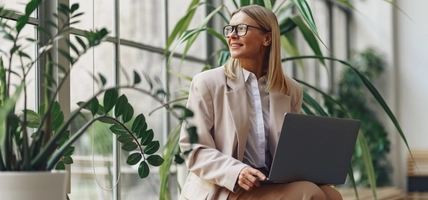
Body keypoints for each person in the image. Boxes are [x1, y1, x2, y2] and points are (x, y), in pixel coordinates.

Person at [179, 4, 343, 200]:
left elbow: (291, 151)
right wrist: (237, 171)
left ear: (267, 38)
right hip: (226, 186)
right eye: (229, 29)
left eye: (241, 29)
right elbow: (193, 148)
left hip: (269, 182)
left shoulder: (290, 90)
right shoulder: (207, 83)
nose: (232, 35)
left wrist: (316, 169)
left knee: (332, 195)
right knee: (309, 194)